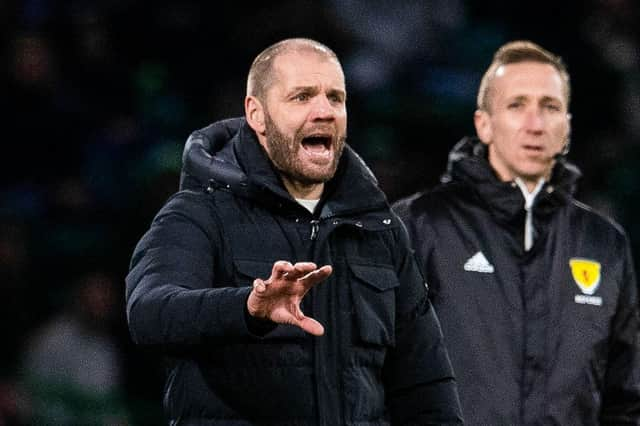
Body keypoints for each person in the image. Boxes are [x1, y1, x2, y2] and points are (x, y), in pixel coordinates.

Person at [126, 38, 463, 425]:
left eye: (335, 98)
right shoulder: (199, 213)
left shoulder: (381, 231)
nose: (324, 111)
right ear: (257, 113)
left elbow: (424, 383)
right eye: (302, 97)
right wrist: (248, 308)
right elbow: (149, 312)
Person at [393, 40, 640, 424]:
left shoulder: (604, 243)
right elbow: (371, 372)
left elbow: (625, 398)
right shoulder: (421, 225)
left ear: (567, 128)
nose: (535, 124)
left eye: (550, 107)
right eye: (516, 105)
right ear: (484, 124)